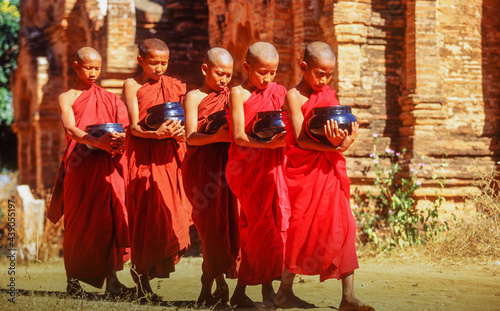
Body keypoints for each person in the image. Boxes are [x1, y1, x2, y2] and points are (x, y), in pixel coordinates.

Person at [274, 41, 374, 311]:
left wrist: (344, 140)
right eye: (320, 73)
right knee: (300, 230)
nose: (325, 80)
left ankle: (348, 297)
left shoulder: (329, 95)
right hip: (301, 171)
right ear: (303, 67)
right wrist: (337, 146)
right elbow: (302, 139)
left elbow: (338, 129)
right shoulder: (293, 96)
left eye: (329, 74)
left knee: (344, 226)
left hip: (328, 170)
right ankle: (284, 292)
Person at [47, 47, 133, 298]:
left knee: (110, 219)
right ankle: (72, 281)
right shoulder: (67, 97)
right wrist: (98, 142)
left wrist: (117, 140)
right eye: (88, 68)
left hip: (107, 166)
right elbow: (71, 130)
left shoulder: (111, 98)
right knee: (77, 223)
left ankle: (113, 281)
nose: (93, 73)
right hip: (79, 166)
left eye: (97, 68)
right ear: (76, 66)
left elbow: (126, 130)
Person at [122, 38, 191, 302]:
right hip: (143, 157)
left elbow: (184, 121)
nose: (159, 69)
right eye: (154, 63)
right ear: (141, 61)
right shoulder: (132, 85)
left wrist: (179, 134)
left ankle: (148, 278)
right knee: (146, 215)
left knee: (173, 214)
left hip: (169, 157)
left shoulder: (173, 86)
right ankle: (141, 283)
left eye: (164, 63)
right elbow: (135, 127)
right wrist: (157, 134)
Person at [225, 41, 290, 308]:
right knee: (254, 228)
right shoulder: (237, 93)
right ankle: (241, 290)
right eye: (262, 72)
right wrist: (266, 144)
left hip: (275, 167)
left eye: (273, 73)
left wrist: (282, 140)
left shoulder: (280, 91)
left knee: (275, 227)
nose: (268, 79)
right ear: (246, 67)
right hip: (248, 168)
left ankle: (268, 290)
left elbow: (288, 122)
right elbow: (239, 136)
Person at [181, 47, 240, 306]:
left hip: (228, 167)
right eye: (219, 74)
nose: (224, 80)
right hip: (202, 167)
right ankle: (214, 285)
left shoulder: (232, 96)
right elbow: (190, 137)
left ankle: (213, 286)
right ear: (205, 69)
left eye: (229, 75)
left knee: (225, 225)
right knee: (209, 227)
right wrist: (216, 136)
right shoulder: (193, 97)